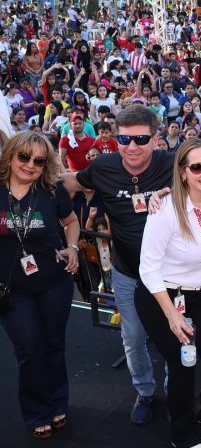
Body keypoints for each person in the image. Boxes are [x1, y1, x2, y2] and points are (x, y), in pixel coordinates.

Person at [61, 105, 173, 425]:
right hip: (126, 272)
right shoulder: (104, 167)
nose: (132, 146)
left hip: (168, 274)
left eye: (141, 139)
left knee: (173, 334)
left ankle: (174, 387)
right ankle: (145, 391)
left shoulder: (173, 163)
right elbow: (68, 183)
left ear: (155, 139)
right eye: (124, 139)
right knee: (133, 336)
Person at [136, 139, 201, 448]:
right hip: (160, 297)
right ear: (182, 172)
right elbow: (148, 267)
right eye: (197, 167)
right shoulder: (165, 209)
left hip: (197, 295)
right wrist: (171, 315)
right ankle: (183, 433)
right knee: (182, 364)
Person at [0, 132, 80, 439]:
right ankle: (36, 411)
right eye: (24, 157)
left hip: (53, 283)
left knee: (53, 343)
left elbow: (71, 221)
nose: (30, 165)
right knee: (29, 349)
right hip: (11, 288)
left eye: (39, 160)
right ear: (11, 154)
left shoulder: (50, 190)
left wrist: (72, 248)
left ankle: (58, 401)